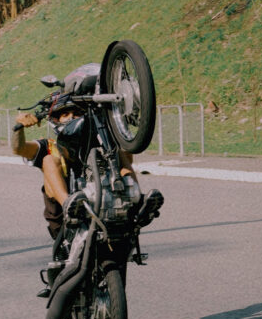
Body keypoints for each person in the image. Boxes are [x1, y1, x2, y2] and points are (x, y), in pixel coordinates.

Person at [12, 95, 163, 241]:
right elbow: (19, 149)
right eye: (66, 114)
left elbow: (128, 156)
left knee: (118, 153)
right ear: (56, 120)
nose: (72, 117)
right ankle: (69, 206)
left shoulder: (101, 144)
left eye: (77, 113)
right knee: (48, 160)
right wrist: (18, 128)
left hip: (112, 211)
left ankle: (137, 201)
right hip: (65, 224)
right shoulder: (49, 146)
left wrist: (121, 121)